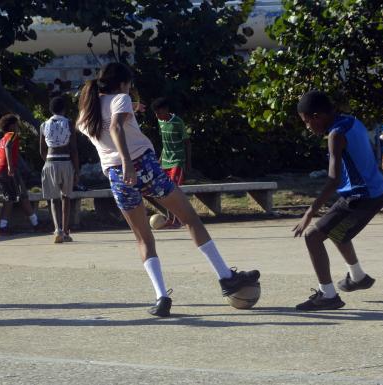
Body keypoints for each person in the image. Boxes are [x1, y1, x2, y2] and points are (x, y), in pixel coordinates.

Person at [76, 62, 260, 317]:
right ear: (122, 83)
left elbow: (109, 126)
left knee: (143, 238)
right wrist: (128, 160)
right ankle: (226, 277)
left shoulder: (87, 113)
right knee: (190, 219)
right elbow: (115, 127)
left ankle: (161, 297)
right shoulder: (121, 98)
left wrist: (131, 114)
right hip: (141, 165)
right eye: (129, 85)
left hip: (116, 177)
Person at [293, 90, 383, 311]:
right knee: (336, 231)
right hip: (373, 192)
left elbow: (333, 180)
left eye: (307, 122)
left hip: (361, 197)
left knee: (313, 236)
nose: (308, 127)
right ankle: (358, 277)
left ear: (318, 116)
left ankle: (328, 296)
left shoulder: (335, 135)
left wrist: (309, 212)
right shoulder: (351, 121)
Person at [39, 96, 79, 243]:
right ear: (64, 109)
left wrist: (49, 162)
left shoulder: (43, 125)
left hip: (49, 162)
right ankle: (66, 231)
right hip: (66, 161)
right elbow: (74, 150)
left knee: (53, 199)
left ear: (50, 109)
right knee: (66, 197)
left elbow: (42, 150)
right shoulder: (69, 123)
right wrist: (76, 170)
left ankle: (57, 230)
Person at [0, 114, 39, 235]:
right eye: (17, 124)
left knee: (11, 196)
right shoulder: (12, 135)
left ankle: (2, 226)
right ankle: (35, 224)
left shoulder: (2, 138)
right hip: (6, 168)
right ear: (12, 126)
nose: (18, 127)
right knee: (20, 196)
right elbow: (8, 147)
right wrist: (10, 166)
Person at [151, 97, 191, 228]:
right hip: (165, 162)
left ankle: (178, 220)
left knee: (172, 190)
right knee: (164, 191)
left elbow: (187, 143)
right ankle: (170, 219)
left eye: (159, 112)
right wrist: (160, 159)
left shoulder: (178, 122)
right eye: (156, 113)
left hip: (177, 161)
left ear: (166, 110)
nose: (157, 116)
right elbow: (165, 142)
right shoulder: (160, 122)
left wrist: (188, 162)